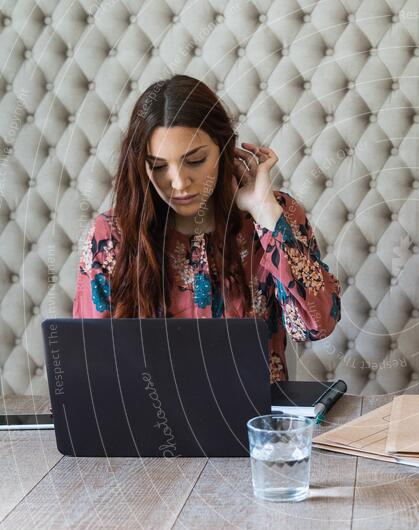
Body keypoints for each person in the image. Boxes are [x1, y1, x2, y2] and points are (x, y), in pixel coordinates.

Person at [73, 75, 341, 383]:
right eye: (158, 167)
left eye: (196, 160)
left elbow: (315, 325)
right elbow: (92, 365)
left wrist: (265, 213)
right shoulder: (110, 236)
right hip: (148, 424)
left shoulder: (272, 216)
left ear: (224, 149)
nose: (178, 182)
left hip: (252, 424)